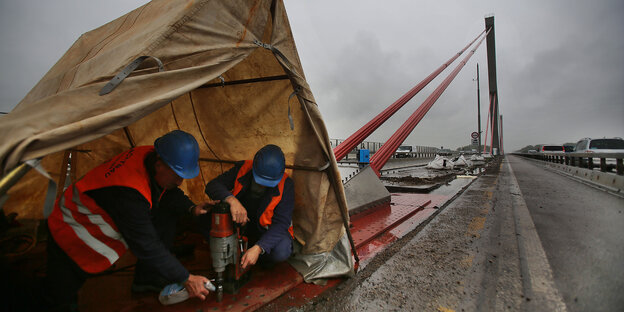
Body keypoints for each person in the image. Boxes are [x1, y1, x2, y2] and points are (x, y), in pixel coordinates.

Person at [44, 130, 213, 310]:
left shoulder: (151, 154)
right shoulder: (129, 193)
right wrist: (186, 278)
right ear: (159, 164)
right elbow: (146, 245)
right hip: (70, 229)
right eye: (177, 175)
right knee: (60, 297)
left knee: (167, 211)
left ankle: (147, 279)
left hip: (91, 218)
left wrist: (191, 208)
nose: (180, 182)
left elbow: (168, 191)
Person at [204, 144, 294, 269]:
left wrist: (259, 248)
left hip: (264, 231)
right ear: (254, 168)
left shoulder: (286, 185)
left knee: (281, 251)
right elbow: (212, 185)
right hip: (238, 224)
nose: (262, 186)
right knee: (205, 218)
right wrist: (232, 200)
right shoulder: (243, 168)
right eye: (259, 181)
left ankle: (256, 259)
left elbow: (281, 224)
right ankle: (229, 253)